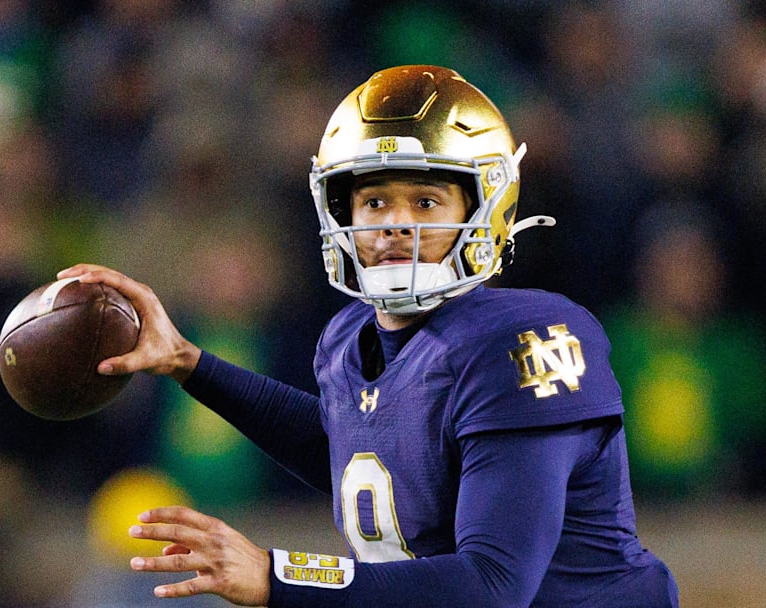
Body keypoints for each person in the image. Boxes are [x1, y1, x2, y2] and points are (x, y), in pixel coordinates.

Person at [58, 65, 679, 607]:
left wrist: (278, 575)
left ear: (486, 207)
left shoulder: (525, 339)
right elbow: (357, 454)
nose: (394, 225)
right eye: (375, 201)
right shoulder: (349, 337)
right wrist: (188, 363)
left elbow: (493, 586)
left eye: (426, 202)